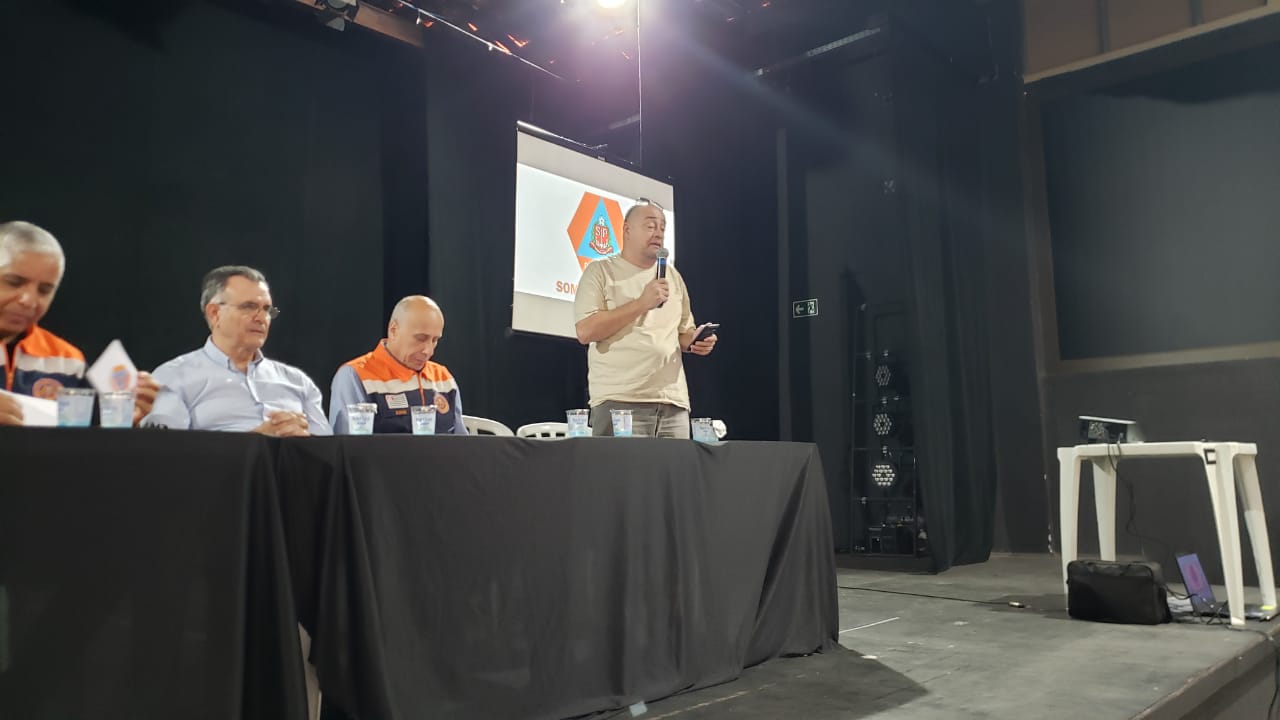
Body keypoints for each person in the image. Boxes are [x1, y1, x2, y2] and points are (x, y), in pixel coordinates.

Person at [573, 200, 717, 438]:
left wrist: (697, 340)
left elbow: (683, 333)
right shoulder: (601, 271)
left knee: (676, 465)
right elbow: (585, 331)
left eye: (662, 227)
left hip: (672, 403)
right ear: (627, 230)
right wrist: (641, 303)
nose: (658, 233)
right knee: (622, 465)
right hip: (620, 401)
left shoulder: (673, 277)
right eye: (650, 226)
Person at [0, 221, 158, 426]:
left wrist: (131, 420)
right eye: (14, 282)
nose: (29, 300)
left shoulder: (68, 360)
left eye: (44, 290)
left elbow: (88, 442)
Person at [143, 265, 330, 436]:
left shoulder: (298, 382)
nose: (261, 318)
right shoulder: (173, 377)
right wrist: (256, 442)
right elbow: (168, 451)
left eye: (267, 309)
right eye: (249, 307)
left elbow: (329, 450)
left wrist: (304, 440)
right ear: (214, 313)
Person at [329, 295, 468, 434]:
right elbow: (347, 444)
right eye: (421, 338)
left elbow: (462, 443)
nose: (429, 351)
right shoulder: (355, 375)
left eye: (435, 340)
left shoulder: (443, 377)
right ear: (393, 330)